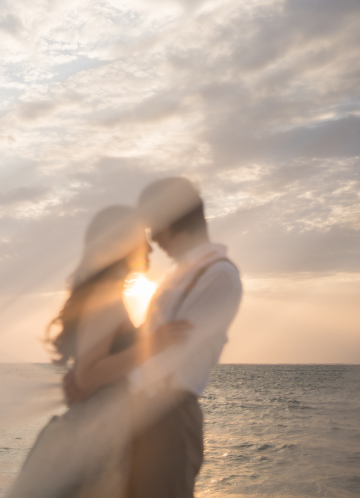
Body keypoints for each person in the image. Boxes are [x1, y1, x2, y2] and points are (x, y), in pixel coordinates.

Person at [8, 205, 191, 498]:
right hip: (93, 437)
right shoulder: (106, 294)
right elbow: (88, 375)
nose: (149, 247)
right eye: (141, 239)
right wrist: (154, 344)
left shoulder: (109, 293)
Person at [124, 177, 243, 498]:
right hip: (144, 413)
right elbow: (150, 342)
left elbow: (171, 353)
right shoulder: (176, 277)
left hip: (169, 417)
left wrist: (111, 378)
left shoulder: (218, 275)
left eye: (154, 226)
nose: (153, 239)